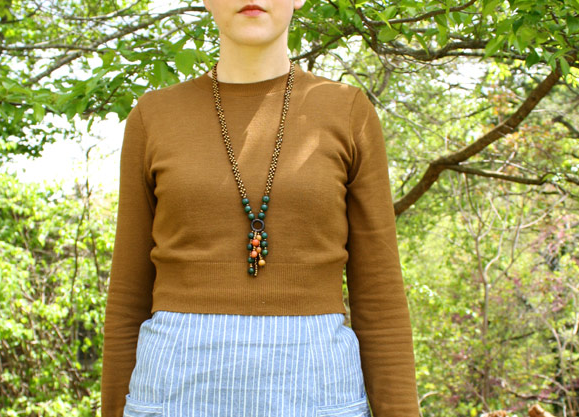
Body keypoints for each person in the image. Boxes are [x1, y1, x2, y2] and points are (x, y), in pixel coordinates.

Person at [101, 0, 420, 416]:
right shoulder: (153, 117)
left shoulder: (347, 111)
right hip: (173, 392)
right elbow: (128, 295)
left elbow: (379, 297)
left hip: (318, 393)